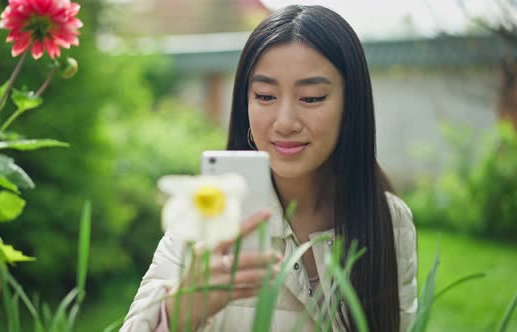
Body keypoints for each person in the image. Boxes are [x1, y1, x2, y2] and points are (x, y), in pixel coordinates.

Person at [121, 4, 417, 332]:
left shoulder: (390, 221)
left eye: (312, 97)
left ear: (351, 106)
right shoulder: (203, 215)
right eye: (264, 96)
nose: (285, 122)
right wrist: (181, 309)